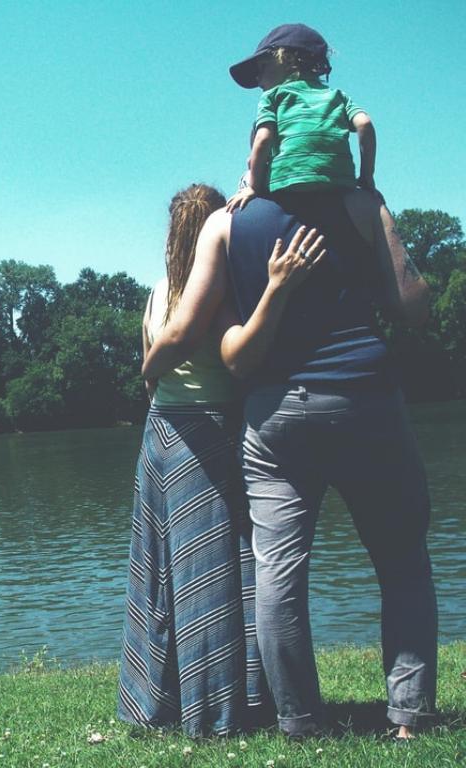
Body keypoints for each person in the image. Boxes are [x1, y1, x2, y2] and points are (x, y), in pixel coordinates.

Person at [143, 183, 435, 739]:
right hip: (367, 400)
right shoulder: (360, 204)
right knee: (402, 563)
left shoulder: (228, 223)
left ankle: (300, 721)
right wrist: (379, 219)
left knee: (278, 572)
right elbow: (414, 307)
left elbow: (231, 355)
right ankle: (410, 717)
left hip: (275, 414)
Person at [117, 183, 319, 736]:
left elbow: (150, 368)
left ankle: (158, 702)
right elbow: (232, 358)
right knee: (219, 571)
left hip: (161, 432)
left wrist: (150, 374)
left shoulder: (158, 292)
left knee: (163, 573)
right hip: (211, 429)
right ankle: (223, 709)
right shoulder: (224, 289)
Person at [225, 23, 375, 212]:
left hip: (288, 180)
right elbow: (365, 123)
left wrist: (253, 187)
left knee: (248, 175)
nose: (258, 79)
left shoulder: (272, 96)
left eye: (262, 68)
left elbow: (263, 139)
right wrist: (366, 177)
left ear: (287, 59)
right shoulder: (337, 96)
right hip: (339, 182)